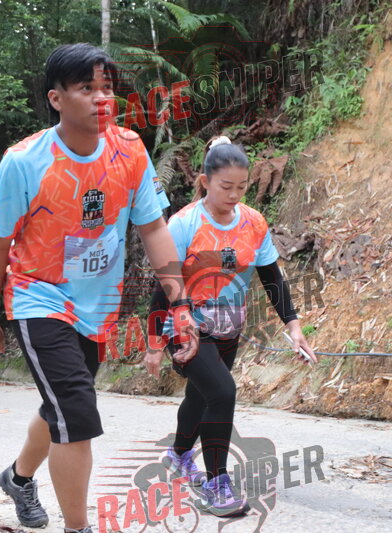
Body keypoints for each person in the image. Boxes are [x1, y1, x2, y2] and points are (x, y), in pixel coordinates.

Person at [0, 43, 192, 533]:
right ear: (56, 98)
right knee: (75, 408)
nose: (101, 99)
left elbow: (153, 228)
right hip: (37, 296)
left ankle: (17, 478)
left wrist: (179, 299)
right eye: (86, 88)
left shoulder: (130, 149)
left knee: (61, 406)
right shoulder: (23, 162)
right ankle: (78, 527)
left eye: (107, 88)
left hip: (97, 306)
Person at [144, 136, 317, 518]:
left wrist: (293, 325)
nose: (234, 195)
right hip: (186, 326)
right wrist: (155, 341)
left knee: (202, 396)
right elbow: (164, 284)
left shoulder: (253, 222)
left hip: (229, 327)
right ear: (206, 181)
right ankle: (216, 483)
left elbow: (272, 278)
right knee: (222, 392)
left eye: (242, 187)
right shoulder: (184, 224)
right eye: (226, 187)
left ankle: (178, 455)